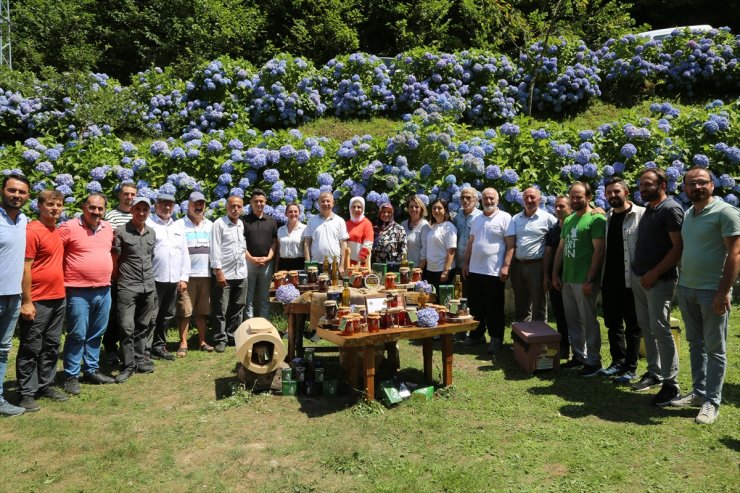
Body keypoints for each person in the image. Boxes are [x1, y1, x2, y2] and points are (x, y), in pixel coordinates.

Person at [670, 166, 740, 424]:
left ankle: (712, 401)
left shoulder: (726, 212)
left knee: (715, 349)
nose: (696, 187)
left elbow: (735, 254)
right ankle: (699, 393)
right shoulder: (690, 213)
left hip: (712, 291)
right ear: (685, 189)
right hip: (687, 289)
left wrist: (723, 292)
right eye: (691, 183)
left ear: (712, 185)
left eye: (702, 182)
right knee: (696, 344)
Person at [630, 167, 684, 405]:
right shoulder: (651, 209)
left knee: (661, 329)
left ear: (663, 185)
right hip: (641, 277)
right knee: (647, 327)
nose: (643, 188)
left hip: (659, 280)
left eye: (648, 184)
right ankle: (655, 373)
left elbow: (678, 247)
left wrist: (655, 273)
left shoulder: (671, 209)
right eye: (641, 185)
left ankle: (671, 385)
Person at [58, 193, 116, 395]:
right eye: (92, 207)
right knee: (77, 334)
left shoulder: (108, 228)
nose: (96, 212)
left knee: (97, 332)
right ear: (84, 207)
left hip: (104, 289)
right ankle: (71, 375)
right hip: (78, 291)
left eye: (100, 208)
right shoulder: (69, 227)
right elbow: (54, 253)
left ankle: (91, 369)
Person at [16, 190, 68, 412]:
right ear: (39, 206)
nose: (55, 208)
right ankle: (26, 392)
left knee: (51, 345)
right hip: (38, 299)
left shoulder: (55, 231)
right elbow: (24, 267)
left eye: (58, 205)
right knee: (31, 346)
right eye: (50, 204)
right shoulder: (32, 231)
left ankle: (45, 384)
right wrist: (26, 301)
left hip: (58, 297)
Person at [552, 182, 606, 377]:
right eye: (572, 197)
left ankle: (594, 361)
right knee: (573, 320)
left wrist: (590, 279)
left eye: (579, 197)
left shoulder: (596, 219)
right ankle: (579, 356)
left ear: (589, 197)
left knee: (588, 320)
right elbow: (560, 248)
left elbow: (599, 251)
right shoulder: (569, 220)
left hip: (585, 279)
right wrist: (555, 274)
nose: (575, 200)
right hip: (568, 278)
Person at [601, 177, 644, 381]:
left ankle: (630, 367)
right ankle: (617, 362)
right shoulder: (607, 217)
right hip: (610, 279)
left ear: (627, 193)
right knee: (612, 323)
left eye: (616, 191)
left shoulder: (641, 215)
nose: (612, 195)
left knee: (633, 325)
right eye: (609, 192)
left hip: (631, 280)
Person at [112, 196, 157, 382]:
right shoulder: (121, 232)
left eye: (144, 210)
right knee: (126, 326)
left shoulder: (151, 233)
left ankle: (139, 359)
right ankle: (128, 364)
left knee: (143, 325)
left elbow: (150, 257)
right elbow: (114, 259)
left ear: (148, 212)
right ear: (131, 210)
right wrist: (116, 279)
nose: (141, 213)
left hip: (148, 285)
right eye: (137, 209)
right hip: (127, 286)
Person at [462, 188, 512, 353]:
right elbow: (471, 243)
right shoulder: (476, 219)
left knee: (494, 308)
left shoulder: (505, 218)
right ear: (481, 201)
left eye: (491, 198)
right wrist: (466, 263)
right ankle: (477, 335)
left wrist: (506, 266)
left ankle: (496, 338)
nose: (488, 201)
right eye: (485, 199)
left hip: (494, 271)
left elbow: (511, 245)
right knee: (475, 306)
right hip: (475, 270)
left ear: (497, 200)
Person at [0, 174, 30, 416]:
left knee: (2, 349)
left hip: (14, 296)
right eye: (12, 190)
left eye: (21, 192)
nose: (17, 195)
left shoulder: (23, 220)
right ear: (3, 191)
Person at [146, 193, 190, 361]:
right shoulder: (149, 224)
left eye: (170, 204)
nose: (167, 207)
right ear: (156, 206)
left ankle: (159, 346)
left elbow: (184, 252)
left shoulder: (177, 226)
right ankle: (146, 349)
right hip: (155, 279)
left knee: (167, 315)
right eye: (163, 204)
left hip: (173, 280)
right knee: (151, 316)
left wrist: (184, 277)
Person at [504, 187, 557, 322]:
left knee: (539, 305)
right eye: (526, 197)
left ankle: (539, 341)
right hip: (518, 266)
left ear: (539, 199)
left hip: (537, 266)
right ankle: (523, 340)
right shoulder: (515, 219)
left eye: (532, 197)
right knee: (521, 305)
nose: (529, 200)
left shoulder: (548, 219)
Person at [102, 181, 137, 365]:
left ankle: (128, 350)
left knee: (131, 316)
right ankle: (110, 348)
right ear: (119, 195)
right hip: (118, 273)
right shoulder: (111, 216)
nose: (130, 197)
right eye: (126, 194)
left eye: (133, 194)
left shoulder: (138, 214)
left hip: (135, 274)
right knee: (115, 314)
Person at [175, 192, 214, 357]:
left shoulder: (211, 225)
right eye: (195, 204)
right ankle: (183, 343)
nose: (199, 207)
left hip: (206, 275)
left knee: (202, 311)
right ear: (188, 205)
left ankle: (202, 341)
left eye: (201, 204)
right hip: (186, 276)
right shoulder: (178, 225)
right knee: (185, 310)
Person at [210, 195, 248, 352]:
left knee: (238, 307)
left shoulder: (241, 224)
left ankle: (232, 336)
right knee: (221, 308)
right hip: (224, 273)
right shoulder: (219, 224)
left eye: (239, 206)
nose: (236, 209)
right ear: (227, 207)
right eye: (233, 206)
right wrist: (218, 271)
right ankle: (220, 338)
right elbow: (215, 248)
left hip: (240, 273)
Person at [543, 195, 571, 360]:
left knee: (574, 316)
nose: (559, 210)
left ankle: (580, 350)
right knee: (560, 315)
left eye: (562, 206)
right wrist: (547, 276)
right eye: (557, 207)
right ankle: (564, 348)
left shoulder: (575, 226)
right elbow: (547, 255)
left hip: (573, 277)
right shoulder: (553, 230)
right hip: (556, 278)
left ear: (570, 208)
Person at [243, 189, 278, 319]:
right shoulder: (244, 221)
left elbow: (275, 242)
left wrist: (268, 257)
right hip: (249, 263)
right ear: (251, 203)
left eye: (261, 201)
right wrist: (251, 259)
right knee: (248, 297)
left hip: (267, 264)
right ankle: (249, 324)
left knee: (264, 297)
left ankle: (264, 324)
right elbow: (241, 243)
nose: (259, 204)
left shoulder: (272, 221)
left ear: (265, 202)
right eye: (256, 201)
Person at [303, 192, 349, 275]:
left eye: (328, 201)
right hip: (315, 265)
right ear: (318, 203)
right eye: (323, 201)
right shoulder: (311, 221)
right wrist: (308, 264)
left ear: (333, 203)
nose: (325, 203)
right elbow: (307, 243)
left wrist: (342, 265)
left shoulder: (340, 221)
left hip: (334, 264)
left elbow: (344, 244)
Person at [423, 199, 457, 294]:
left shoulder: (449, 227)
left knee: (441, 300)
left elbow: (451, 250)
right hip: (431, 269)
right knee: (432, 299)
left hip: (442, 270)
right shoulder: (433, 226)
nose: (436, 211)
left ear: (445, 210)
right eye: (434, 208)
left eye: (439, 208)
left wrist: (446, 271)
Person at [452, 187, 481, 297]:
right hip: (459, 263)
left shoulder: (480, 217)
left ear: (475, 200)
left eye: (468, 198)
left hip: (475, 264)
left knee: (475, 295)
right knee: (461, 295)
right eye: (462, 198)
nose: (465, 200)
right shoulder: (457, 217)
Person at [401, 195, 430, 268]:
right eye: (411, 207)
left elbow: (425, 249)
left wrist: (419, 269)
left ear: (421, 209)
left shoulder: (424, 225)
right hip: (403, 266)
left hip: (417, 267)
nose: (413, 209)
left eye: (416, 207)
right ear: (407, 208)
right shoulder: (403, 224)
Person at [276, 203, 306, 271]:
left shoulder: (305, 229)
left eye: (295, 211)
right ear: (286, 214)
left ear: (299, 213)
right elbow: (278, 251)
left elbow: (307, 250)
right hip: (283, 265)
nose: (293, 213)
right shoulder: (280, 230)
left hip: (299, 264)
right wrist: (276, 268)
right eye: (290, 211)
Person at [345, 196, 373, 266]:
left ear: (363, 209)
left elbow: (368, 243)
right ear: (350, 208)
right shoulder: (345, 224)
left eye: (359, 207)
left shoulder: (366, 223)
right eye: (353, 207)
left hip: (360, 265)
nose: (356, 209)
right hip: (346, 263)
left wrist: (360, 261)